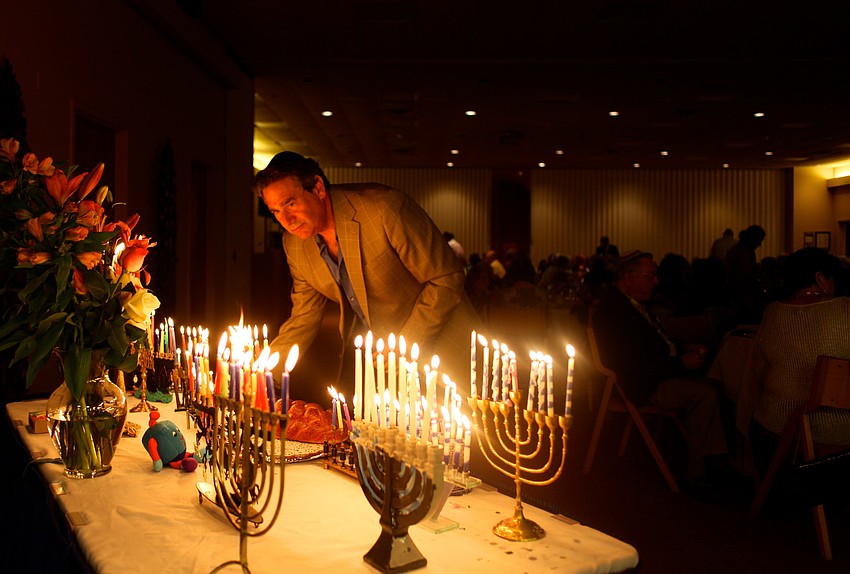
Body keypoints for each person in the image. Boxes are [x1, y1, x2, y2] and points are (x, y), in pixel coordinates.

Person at [253, 151, 481, 399]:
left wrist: (404, 345)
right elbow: (303, 317)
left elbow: (447, 278)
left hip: (445, 350)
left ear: (318, 187)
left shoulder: (384, 208)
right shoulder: (295, 244)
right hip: (384, 370)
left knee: (466, 435)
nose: (286, 220)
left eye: (290, 203)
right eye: (275, 211)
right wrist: (264, 374)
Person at [592, 250, 729, 500]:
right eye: (651, 275)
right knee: (707, 394)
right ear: (629, 277)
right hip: (641, 385)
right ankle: (697, 472)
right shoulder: (612, 312)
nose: (657, 281)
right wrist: (680, 363)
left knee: (721, 384)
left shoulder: (634, 305)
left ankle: (715, 460)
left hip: (659, 375)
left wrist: (684, 348)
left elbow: (655, 343)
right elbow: (632, 363)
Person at [748, 247, 850, 474]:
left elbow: (758, 374)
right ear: (820, 279)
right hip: (840, 434)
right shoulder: (845, 309)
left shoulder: (772, 312)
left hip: (778, 428)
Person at [724, 224, 767, 324]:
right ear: (753, 238)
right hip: (740, 298)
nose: (760, 244)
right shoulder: (744, 252)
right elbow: (743, 277)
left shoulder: (738, 249)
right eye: (759, 240)